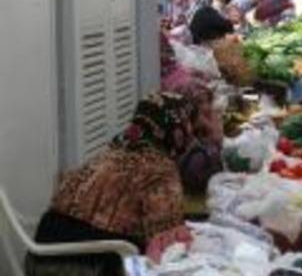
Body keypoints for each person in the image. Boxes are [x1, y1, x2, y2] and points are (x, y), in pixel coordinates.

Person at [26, 88, 222, 275]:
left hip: (40, 257)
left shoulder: (110, 153)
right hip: (88, 267)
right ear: (179, 129)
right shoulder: (160, 170)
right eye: (191, 126)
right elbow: (167, 244)